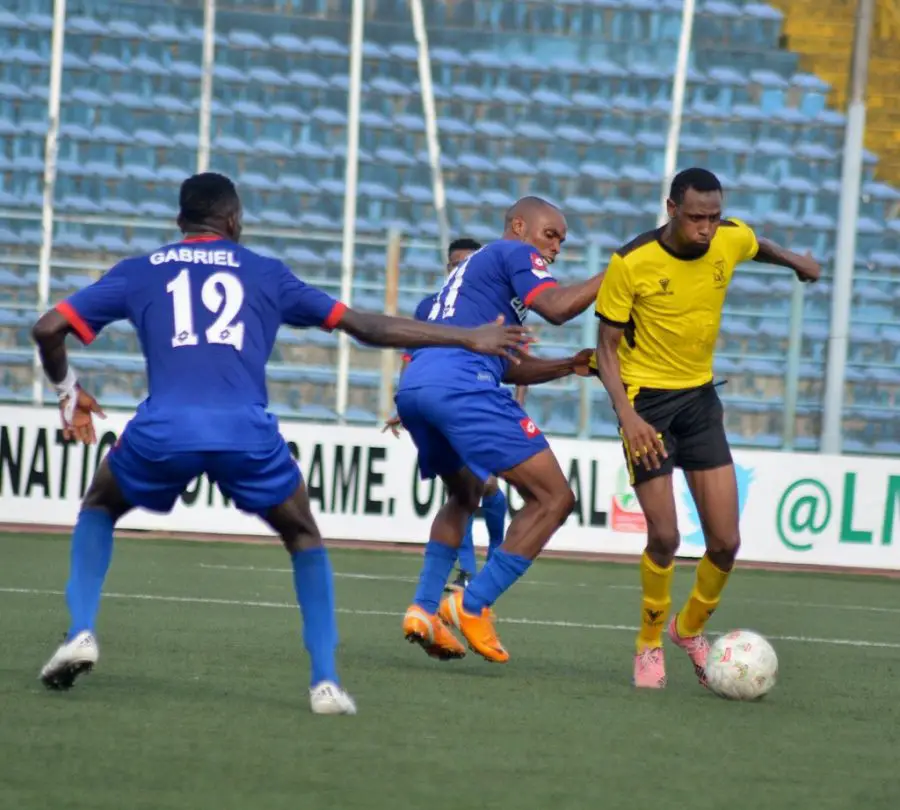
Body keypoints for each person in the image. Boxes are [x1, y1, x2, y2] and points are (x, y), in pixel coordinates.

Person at [31, 172, 532, 714]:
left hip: (164, 428)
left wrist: (68, 391)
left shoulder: (140, 270)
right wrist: (467, 336)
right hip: (246, 434)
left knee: (100, 505)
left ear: (180, 221)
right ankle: (325, 683)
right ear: (234, 220)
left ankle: (80, 631)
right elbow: (365, 326)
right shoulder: (265, 273)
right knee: (302, 534)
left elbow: (48, 328)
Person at [591, 167, 821, 689]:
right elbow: (606, 348)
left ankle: (689, 628)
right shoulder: (632, 262)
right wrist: (628, 417)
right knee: (665, 535)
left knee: (725, 541)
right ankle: (649, 642)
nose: (707, 228)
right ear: (672, 209)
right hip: (646, 404)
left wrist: (797, 262)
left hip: (698, 400)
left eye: (715, 217)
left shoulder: (726, 239)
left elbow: (754, 243)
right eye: (697, 217)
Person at [396, 196, 604, 664]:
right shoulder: (513, 252)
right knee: (554, 498)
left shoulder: (468, 279)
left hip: (416, 387)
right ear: (519, 226)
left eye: (562, 240)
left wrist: (568, 365)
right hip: (462, 385)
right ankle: (471, 603)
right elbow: (556, 307)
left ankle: (424, 609)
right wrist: (618, 271)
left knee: (464, 494)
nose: (555, 247)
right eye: (550, 235)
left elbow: (508, 367)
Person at [383, 237, 526, 591]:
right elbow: (412, 356)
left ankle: (495, 549)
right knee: (462, 489)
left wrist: (519, 403)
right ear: (447, 267)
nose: (458, 268)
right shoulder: (428, 308)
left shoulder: (493, 304)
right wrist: (403, 401)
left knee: (486, 485)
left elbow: (519, 361)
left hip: (479, 400)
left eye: (465, 262)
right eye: (453, 263)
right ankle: (467, 571)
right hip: (439, 403)